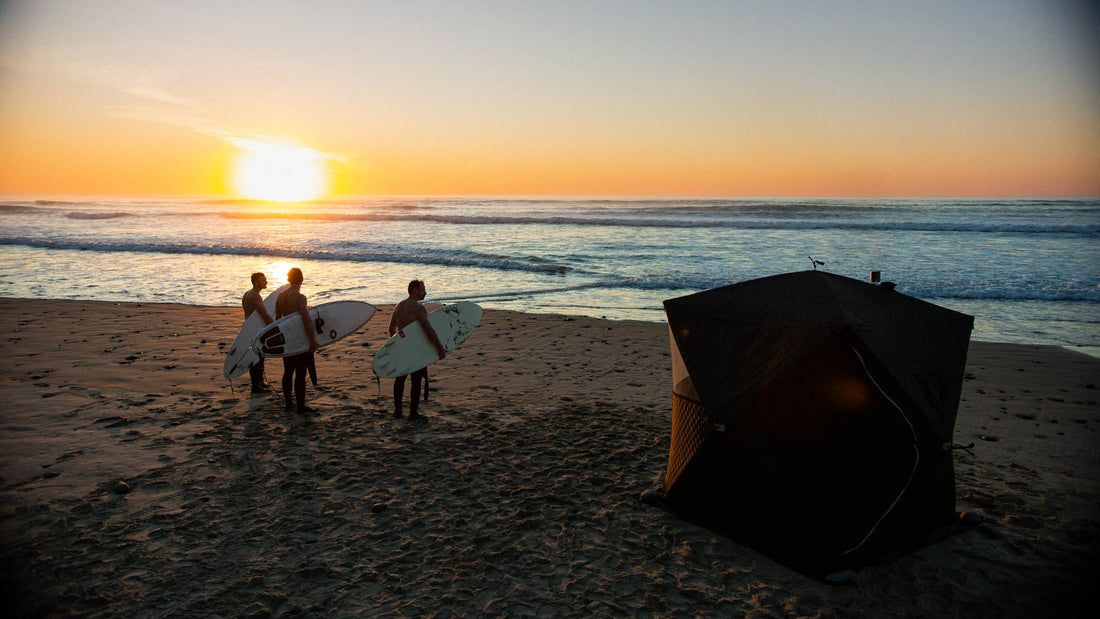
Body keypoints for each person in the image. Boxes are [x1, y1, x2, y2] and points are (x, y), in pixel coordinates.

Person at [389, 279, 446, 421]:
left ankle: (398, 411)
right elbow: (428, 330)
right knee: (416, 380)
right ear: (415, 290)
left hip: (403, 348)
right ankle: (413, 414)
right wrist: (439, 348)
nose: (425, 292)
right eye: (423, 289)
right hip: (415, 349)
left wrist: (398, 342)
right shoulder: (418, 308)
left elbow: (392, 328)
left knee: (400, 379)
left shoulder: (398, 306)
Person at [275, 267, 318, 414]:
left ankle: (288, 404)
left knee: (288, 371)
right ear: (302, 279)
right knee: (300, 372)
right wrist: (312, 340)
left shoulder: (280, 296)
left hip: (286, 337)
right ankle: (300, 406)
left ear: (288, 279)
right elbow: (307, 321)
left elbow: (277, 320)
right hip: (300, 338)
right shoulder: (300, 298)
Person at [242, 272, 274, 394]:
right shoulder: (255, 295)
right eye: (263, 280)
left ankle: (259, 383)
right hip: (254, 330)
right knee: (258, 357)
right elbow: (264, 314)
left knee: (256, 356)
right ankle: (257, 386)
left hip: (247, 328)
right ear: (256, 282)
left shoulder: (247, 294)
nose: (266, 282)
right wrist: (274, 325)